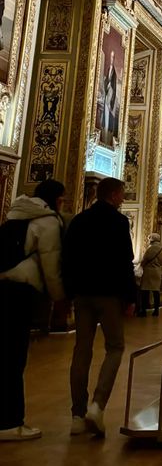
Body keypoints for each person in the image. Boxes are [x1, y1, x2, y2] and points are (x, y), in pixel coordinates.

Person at [63, 176, 136, 437]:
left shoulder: (79, 220)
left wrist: (68, 293)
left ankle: (77, 415)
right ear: (114, 195)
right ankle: (97, 405)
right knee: (115, 347)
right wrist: (131, 297)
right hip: (109, 295)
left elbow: (67, 258)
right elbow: (125, 261)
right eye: (122, 194)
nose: (123, 199)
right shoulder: (119, 222)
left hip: (82, 294)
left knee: (81, 351)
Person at [0, 179, 66, 442]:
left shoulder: (16, 214)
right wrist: (59, 298)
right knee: (14, 357)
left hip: (3, 285)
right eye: (62, 199)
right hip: (20, 291)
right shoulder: (48, 221)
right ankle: (9, 422)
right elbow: (51, 263)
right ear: (55, 199)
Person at [136, 232, 162, 317]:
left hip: (148, 272)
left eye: (149, 238)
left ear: (152, 239)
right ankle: (156, 310)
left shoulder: (150, 248)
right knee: (156, 292)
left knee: (145, 291)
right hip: (157, 271)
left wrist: (140, 266)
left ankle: (143, 311)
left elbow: (145, 259)